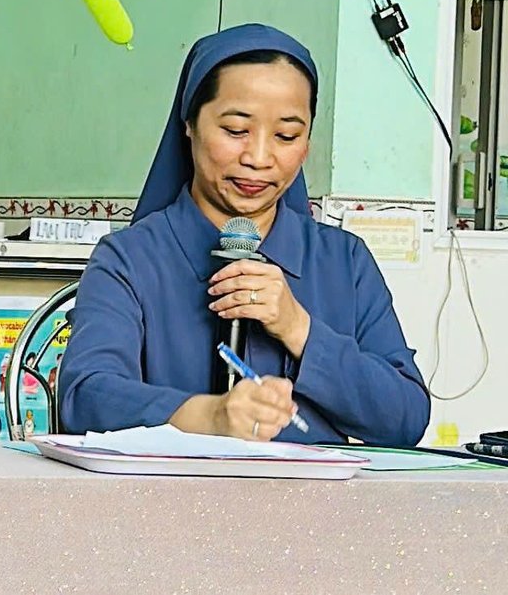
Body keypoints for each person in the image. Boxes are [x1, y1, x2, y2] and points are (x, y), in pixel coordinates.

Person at [58, 25, 429, 445]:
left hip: (310, 491)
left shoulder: (345, 261)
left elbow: (406, 418)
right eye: (236, 130)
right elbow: (84, 398)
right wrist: (209, 416)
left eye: (286, 136)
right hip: (171, 490)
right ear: (189, 124)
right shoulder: (129, 258)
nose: (258, 158)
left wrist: (300, 329)